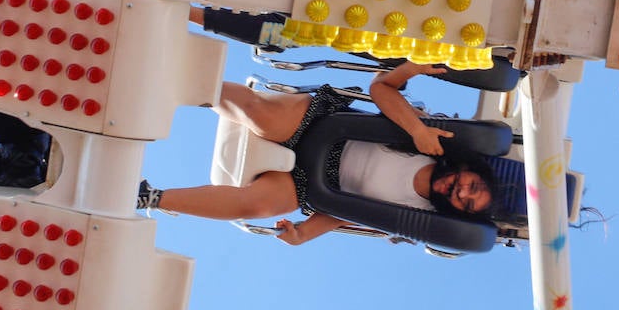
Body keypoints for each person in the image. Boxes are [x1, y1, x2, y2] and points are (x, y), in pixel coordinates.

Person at [136, 62, 498, 246]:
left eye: (466, 202)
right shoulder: (433, 140)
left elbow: (347, 214)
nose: (462, 192)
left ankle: (150, 196)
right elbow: (382, 87)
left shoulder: (418, 213)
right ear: (470, 171)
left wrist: (304, 234)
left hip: (312, 181)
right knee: (262, 116)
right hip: (320, 126)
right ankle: (170, 80)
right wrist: (413, 92)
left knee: (259, 206)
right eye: (472, 186)